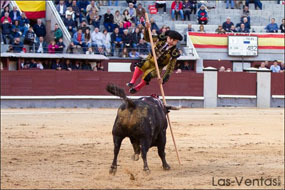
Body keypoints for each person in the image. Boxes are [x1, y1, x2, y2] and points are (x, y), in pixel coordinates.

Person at [126, 21, 183, 94]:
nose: (171, 41)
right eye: (170, 38)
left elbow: (170, 68)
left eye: (174, 40)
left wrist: (164, 79)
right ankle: (132, 81)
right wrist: (147, 28)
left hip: (157, 68)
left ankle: (138, 87)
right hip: (149, 60)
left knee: (148, 75)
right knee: (142, 64)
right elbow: (147, 38)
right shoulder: (161, 39)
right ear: (167, 37)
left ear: (177, 41)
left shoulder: (174, 52)